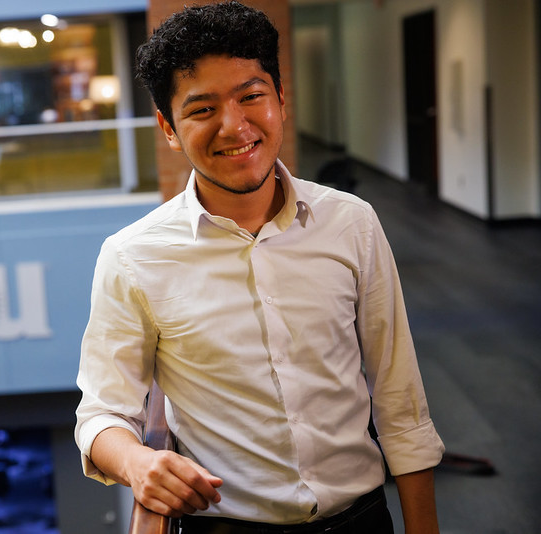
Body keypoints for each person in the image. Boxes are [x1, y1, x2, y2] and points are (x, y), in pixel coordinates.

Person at [74, 2, 445, 533]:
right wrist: (139, 463)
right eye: (202, 110)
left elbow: (399, 398)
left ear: (280, 98)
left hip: (362, 519)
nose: (234, 126)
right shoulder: (132, 257)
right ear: (168, 127)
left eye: (251, 96)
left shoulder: (351, 223)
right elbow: (101, 414)